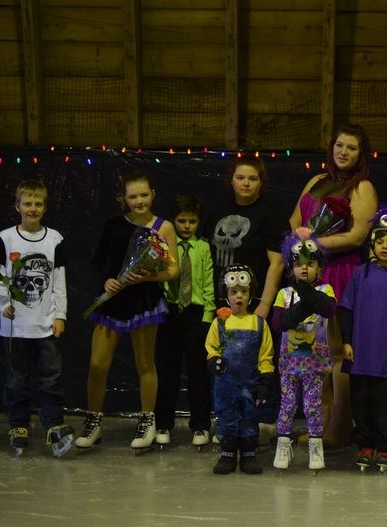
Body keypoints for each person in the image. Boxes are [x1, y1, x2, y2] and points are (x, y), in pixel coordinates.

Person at [290, 124, 379, 449]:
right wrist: (303, 247)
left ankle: (340, 426)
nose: (343, 152)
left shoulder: (363, 188)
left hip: (341, 272)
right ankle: (321, 422)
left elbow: (357, 236)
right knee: (313, 352)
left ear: (361, 154)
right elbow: (293, 221)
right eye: (340, 145)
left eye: (351, 147)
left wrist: (315, 242)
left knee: (337, 351)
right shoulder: (316, 181)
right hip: (309, 272)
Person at [76, 171, 179, 451]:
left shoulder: (164, 227)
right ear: (124, 198)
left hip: (144, 301)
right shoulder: (113, 224)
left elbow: (173, 270)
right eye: (133, 196)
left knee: (145, 364)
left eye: (144, 195)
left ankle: (147, 421)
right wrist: (105, 280)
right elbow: (98, 261)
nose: (139, 201)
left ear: (153, 194)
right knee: (98, 365)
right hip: (113, 299)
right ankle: (93, 422)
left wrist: (147, 277)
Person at [0, 180, 75, 457]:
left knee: (51, 378)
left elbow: (59, 282)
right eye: (28, 203)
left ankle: (54, 427)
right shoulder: (5, 239)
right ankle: (18, 425)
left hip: (46, 323)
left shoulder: (55, 239)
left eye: (38, 204)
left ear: (45, 207)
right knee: (17, 379)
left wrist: (60, 315)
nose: (33, 208)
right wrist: (3, 304)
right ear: (17, 206)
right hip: (15, 326)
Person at [206, 155, 285, 447]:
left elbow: (277, 263)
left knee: (260, 362)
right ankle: (227, 420)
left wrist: (264, 302)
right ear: (232, 180)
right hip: (222, 303)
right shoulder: (217, 212)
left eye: (252, 178)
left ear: (261, 182)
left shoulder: (270, 212)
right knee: (225, 363)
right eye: (241, 177)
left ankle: (264, 422)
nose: (246, 183)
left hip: (255, 303)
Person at [339, 207, 387, 471]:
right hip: (360, 352)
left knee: (384, 406)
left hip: (385, 355)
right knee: (360, 403)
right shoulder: (361, 273)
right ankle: (365, 443)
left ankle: (385, 446)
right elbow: (346, 308)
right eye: (380, 242)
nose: (384, 247)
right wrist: (346, 341)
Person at [271, 232, 337, 471]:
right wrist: (302, 304)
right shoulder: (284, 294)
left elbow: (328, 310)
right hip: (289, 363)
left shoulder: (326, 290)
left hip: (315, 363)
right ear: (291, 268)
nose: (304, 268)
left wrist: (309, 294)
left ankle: (315, 446)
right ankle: (283, 444)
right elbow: (279, 324)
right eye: (299, 264)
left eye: (310, 263)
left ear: (319, 266)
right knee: (287, 404)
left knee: (312, 406)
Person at [154, 195, 216, 449]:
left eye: (192, 221)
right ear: (173, 221)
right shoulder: (166, 244)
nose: (187, 226)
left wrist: (207, 318)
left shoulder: (203, 247)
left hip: (196, 313)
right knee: (167, 372)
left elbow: (209, 282)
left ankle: (200, 425)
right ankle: (162, 424)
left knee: (198, 375)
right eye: (182, 221)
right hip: (169, 314)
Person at [206, 264, 275, 475]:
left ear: (250, 294)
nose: (239, 296)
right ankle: (227, 454)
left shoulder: (259, 324)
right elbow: (211, 347)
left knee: (249, 417)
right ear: (226, 295)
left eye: (244, 291)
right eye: (234, 292)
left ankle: (248, 454)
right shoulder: (219, 323)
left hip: (250, 384)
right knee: (227, 417)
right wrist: (215, 360)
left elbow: (266, 354)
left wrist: (264, 381)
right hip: (225, 384)